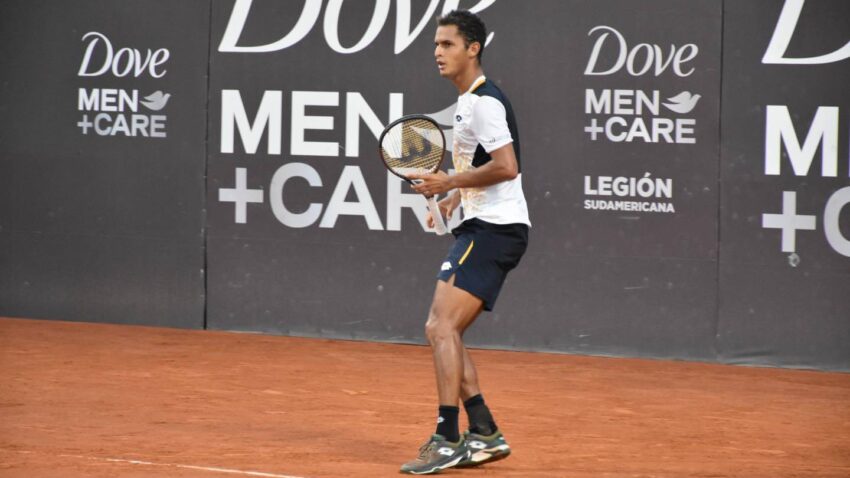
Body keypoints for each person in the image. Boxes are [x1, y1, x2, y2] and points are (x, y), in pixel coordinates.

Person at [399, 9, 530, 475]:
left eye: (447, 44)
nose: (437, 52)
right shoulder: (466, 101)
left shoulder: (484, 103)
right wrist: (457, 195)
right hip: (485, 224)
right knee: (445, 329)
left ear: (473, 48)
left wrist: (449, 181)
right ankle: (485, 432)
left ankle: (447, 437)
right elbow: (486, 170)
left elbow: (507, 165)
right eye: (435, 45)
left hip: (495, 231)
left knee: (439, 327)